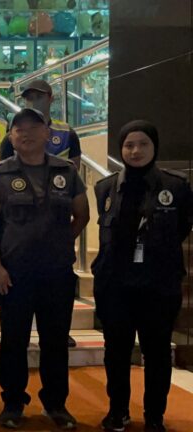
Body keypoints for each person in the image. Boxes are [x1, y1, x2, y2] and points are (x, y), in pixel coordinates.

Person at [0, 108, 89, 430]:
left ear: (47, 133)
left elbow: (82, 214)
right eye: (19, 129)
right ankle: (13, 404)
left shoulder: (66, 171)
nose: (25, 133)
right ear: (11, 136)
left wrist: (60, 242)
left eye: (33, 127)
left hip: (57, 273)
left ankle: (56, 404)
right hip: (14, 273)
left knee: (55, 342)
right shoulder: (1, 173)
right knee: (13, 341)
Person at [92, 120, 192, 432]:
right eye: (129, 145)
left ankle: (154, 416)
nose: (135, 151)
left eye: (143, 144)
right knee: (116, 353)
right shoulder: (105, 187)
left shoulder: (176, 187)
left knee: (158, 354)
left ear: (155, 147)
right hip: (115, 287)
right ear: (121, 149)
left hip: (158, 288)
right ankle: (118, 412)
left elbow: (181, 228)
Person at [0, 79, 81, 168]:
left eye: (39, 97)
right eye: (29, 98)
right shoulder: (14, 137)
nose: (34, 102)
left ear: (51, 99)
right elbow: (3, 172)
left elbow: (75, 170)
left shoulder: (67, 133)